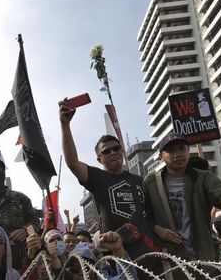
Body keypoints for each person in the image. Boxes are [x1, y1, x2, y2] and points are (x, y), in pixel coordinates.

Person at [144, 131, 221, 261]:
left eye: (182, 149)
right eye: (171, 151)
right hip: (168, 256)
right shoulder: (151, 182)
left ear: (188, 151)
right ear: (161, 156)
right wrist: (157, 228)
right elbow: (144, 215)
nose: (177, 154)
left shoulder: (203, 178)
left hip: (202, 253)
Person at [59, 100, 155, 259]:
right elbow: (72, 162)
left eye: (116, 148)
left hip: (147, 251)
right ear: (99, 159)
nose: (112, 153)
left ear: (122, 151)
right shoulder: (99, 178)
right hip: (114, 255)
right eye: (106, 151)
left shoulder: (139, 180)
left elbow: (152, 214)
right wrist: (65, 125)